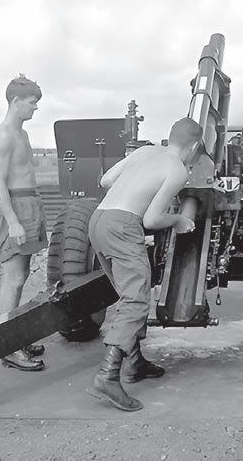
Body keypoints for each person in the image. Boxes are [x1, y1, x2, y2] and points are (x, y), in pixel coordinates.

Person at [86, 117, 202, 411]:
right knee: (136, 300)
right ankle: (107, 376)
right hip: (123, 227)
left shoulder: (145, 151)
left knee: (128, 296)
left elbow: (106, 181)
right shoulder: (177, 169)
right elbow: (151, 219)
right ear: (194, 147)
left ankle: (134, 362)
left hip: (99, 220)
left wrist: (135, 189)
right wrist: (178, 220)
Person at [0, 74, 48, 372]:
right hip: (13, 206)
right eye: (32, 102)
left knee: (21, 275)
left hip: (29, 203)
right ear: (15, 101)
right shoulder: (3, 135)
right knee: (12, 278)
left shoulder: (22, 134)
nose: (35, 108)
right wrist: (12, 220)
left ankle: (15, 338)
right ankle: (8, 348)